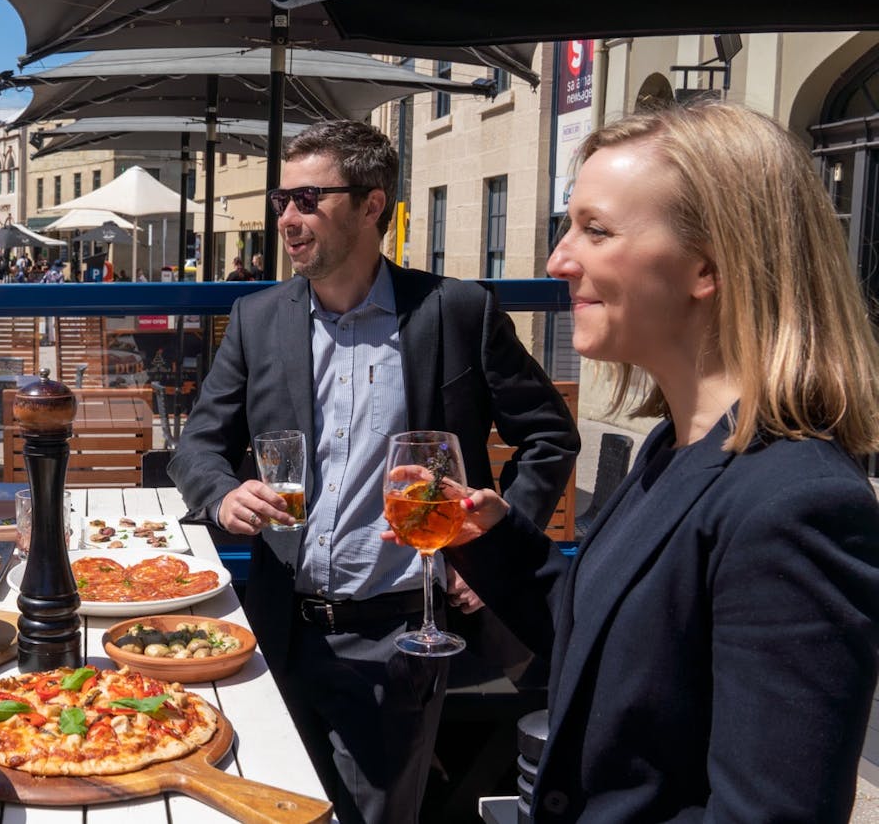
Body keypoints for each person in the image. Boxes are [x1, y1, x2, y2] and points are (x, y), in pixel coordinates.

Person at [417, 103, 879, 822]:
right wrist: (499, 542)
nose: (558, 260)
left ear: (708, 266)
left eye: (596, 230)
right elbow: (610, 650)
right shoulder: (677, 446)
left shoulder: (795, 505)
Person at [170, 119, 578, 823]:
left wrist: (496, 539)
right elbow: (198, 447)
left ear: (369, 205)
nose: (287, 219)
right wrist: (224, 492)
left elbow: (548, 436)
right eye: (280, 201)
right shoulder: (257, 319)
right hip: (276, 626)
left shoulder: (454, 312)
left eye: (306, 199)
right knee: (265, 804)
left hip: (401, 633)